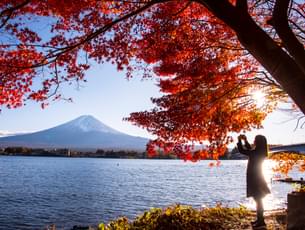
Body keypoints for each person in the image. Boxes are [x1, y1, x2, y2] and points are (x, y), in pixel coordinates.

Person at [237, 134, 270, 228]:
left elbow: (243, 151)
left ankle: (261, 222)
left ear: (258, 142)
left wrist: (239, 141)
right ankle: (259, 220)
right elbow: (250, 150)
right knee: (258, 200)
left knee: (258, 200)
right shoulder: (260, 152)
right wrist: (245, 141)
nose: (254, 141)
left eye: (255, 139)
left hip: (255, 179)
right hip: (258, 177)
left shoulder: (256, 152)